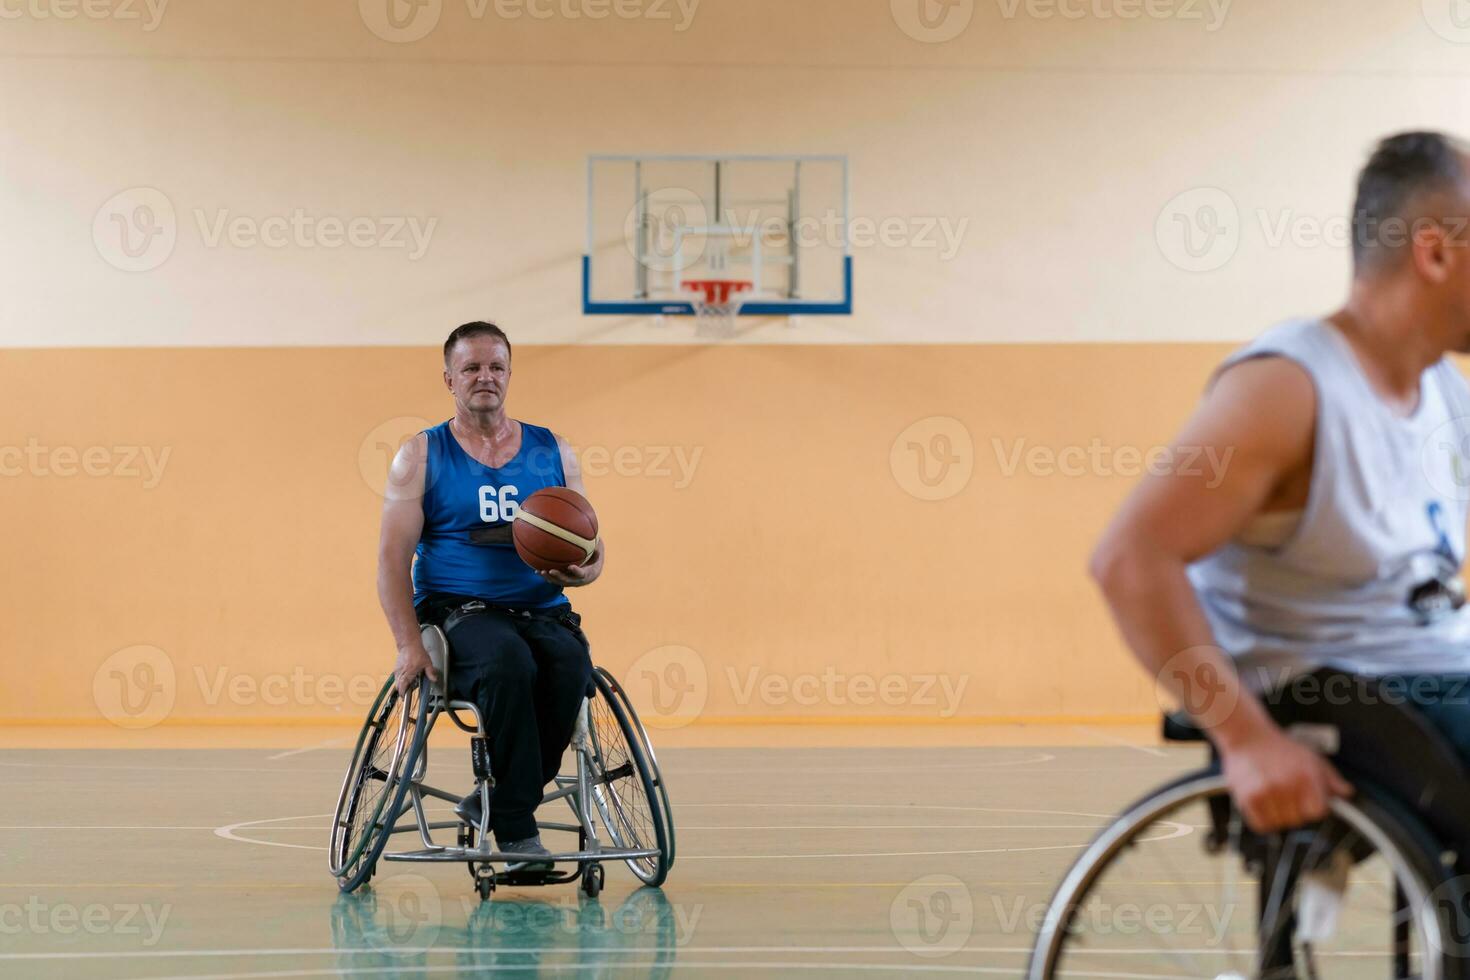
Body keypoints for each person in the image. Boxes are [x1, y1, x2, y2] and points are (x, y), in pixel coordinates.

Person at [1091, 131, 1470, 833]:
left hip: (1439, 673)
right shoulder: (1287, 389)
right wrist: (1245, 738)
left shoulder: (1445, 394)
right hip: (1341, 691)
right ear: (1437, 252)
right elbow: (1128, 560)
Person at [376, 320, 604, 865]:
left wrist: (582, 573)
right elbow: (390, 561)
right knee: (507, 662)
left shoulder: (553, 450)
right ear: (449, 379)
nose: (485, 376)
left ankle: (501, 799)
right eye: (471, 367)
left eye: (496, 366)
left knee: (571, 667)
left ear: (509, 374)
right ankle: (517, 829)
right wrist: (408, 645)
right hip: (460, 610)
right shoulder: (421, 455)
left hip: (541, 608)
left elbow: (593, 551)